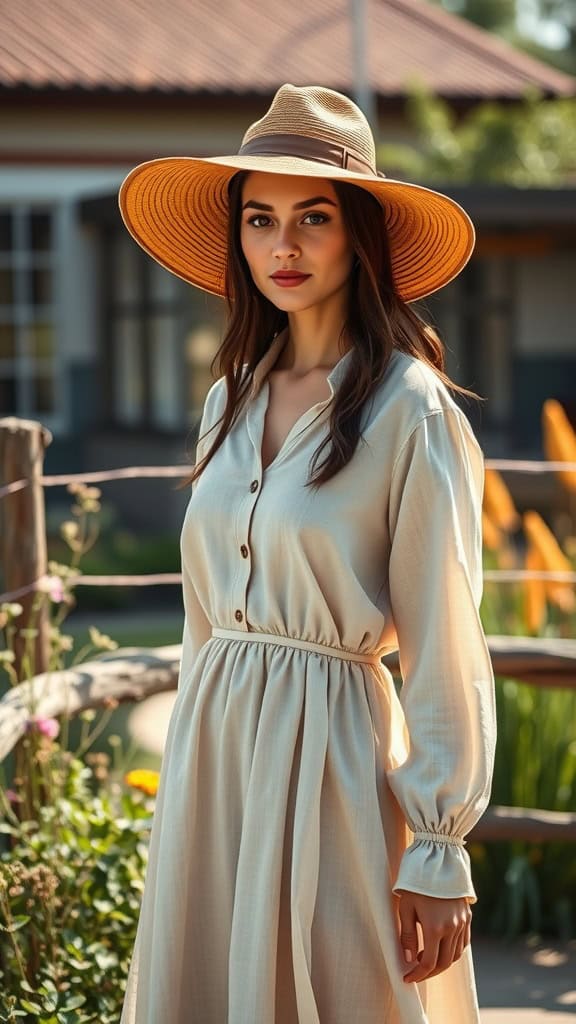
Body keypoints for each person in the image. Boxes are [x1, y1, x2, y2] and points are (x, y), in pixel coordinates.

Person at [118, 84, 496, 1024]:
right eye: (260, 220)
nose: (281, 247)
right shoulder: (230, 400)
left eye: (312, 218)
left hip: (333, 758)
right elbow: (204, 621)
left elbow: (448, 636)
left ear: (359, 233)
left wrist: (439, 848)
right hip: (213, 757)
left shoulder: (410, 409)